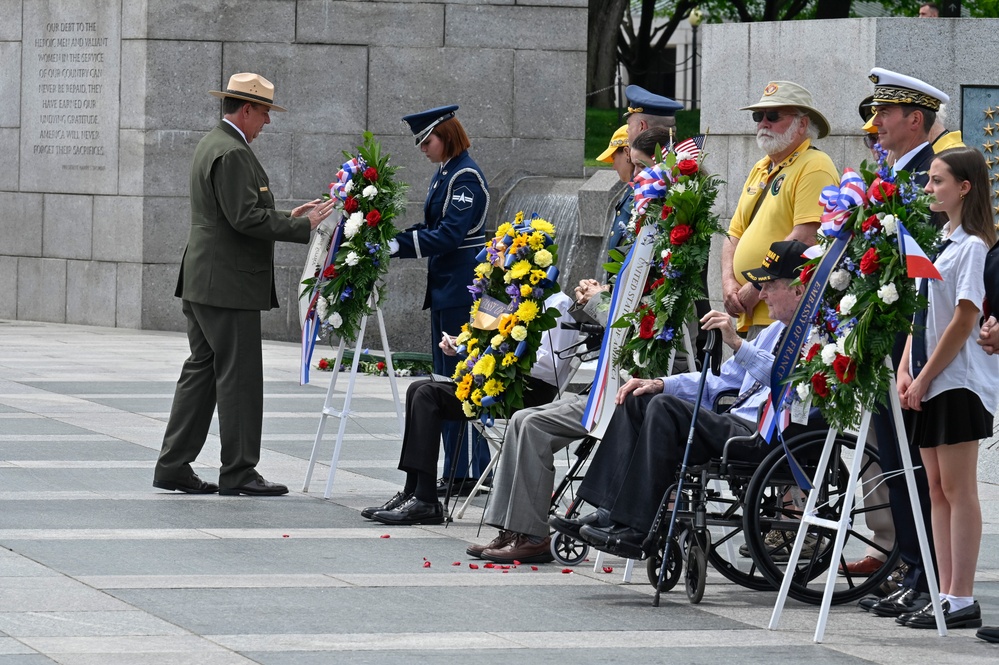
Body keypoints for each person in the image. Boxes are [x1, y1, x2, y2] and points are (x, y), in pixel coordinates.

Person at [550, 241, 810, 558]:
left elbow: (794, 384)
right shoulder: (773, 332)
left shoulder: (817, 337)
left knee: (664, 408)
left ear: (798, 290)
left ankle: (637, 528)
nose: (762, 294)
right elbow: (719, 380)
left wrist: (739, 344)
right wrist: (661, 382)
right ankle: (608, 508)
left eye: (769, 285)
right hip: (735, 422)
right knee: (639, 398)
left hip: (768, 435)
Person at [153, 73, 335, 496]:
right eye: (265, 112)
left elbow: (235, 212)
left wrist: (291, 216)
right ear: (247, 108)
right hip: (227, 284)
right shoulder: (233, 152)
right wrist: (301, 225)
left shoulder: (213, 143)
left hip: (205, 278)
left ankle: (173, 465)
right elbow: (245, 219)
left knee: (202, 372)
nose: (268, 122)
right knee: (239, 377)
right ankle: (238, 471)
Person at [893, 147, 999, 629]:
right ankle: (943, 589)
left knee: (958, 488)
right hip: (930, 378)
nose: (930, 188)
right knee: (935, 488)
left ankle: (962, 595)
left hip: (956, 382)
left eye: (938, 181)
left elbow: (964, 316)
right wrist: (905, 366)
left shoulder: (974, 245)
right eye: (929, 180)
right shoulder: (941, 242)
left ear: (965, 187)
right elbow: (922, 314)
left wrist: (927, 373)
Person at [859, 68, 951, 619]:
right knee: (895, 458)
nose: (876, 126)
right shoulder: (893, 174)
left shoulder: (929, 177)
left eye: (885, 115)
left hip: (914, 341)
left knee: (915, 461)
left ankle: (929, 574)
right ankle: (910, 568)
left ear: (914, 119)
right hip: (887, 338)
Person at [363, 292, 577, 526]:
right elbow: (490, 340)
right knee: (417, 388)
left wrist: (502, 353)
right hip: (495, 380)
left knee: (427, 395)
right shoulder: (513, 296)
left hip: (526, 391)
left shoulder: (559, 303)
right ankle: (413, 490)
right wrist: (463, 345)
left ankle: (426, 501)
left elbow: (551, 366)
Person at [393, 105, 491, 496]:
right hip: (446, 289)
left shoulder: (464, 176)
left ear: (446, 134)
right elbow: (432, 227)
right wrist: (397, 240)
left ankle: (467, 471)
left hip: (462, 290)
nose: (422, 148)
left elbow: (449, 235)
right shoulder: (446, 173)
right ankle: (455, 468)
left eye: (426, 140)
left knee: (459, 383)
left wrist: (401, 246)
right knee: (444, 380)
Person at [721, 81, 837, 339]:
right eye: (758, 116)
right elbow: (734, 233)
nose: (763, 123)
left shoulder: (814, 165)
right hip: (752, 312)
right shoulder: (761, 166)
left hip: (781, 315)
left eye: (773, 116)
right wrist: (729, 282)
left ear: (802, 125)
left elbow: (805, 236)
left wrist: (754, 286)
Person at [596, 124, 634, 261]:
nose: (613, 166)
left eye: (613, 158)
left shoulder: (640, 191)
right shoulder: (631, 189)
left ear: (626, 153)